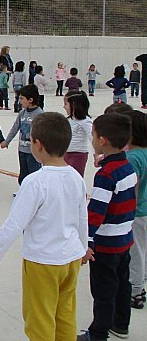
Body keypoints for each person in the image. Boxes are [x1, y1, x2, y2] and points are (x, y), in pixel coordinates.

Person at [0, 113, 88, 341]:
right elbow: (81, 217)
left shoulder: (35, 181)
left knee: (40, 319)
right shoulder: (76, 177)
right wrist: (83, 247)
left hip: (43, 262)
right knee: (65, 314)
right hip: (71, 258)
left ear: (38, 145)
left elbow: (15, 223)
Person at [77, 114, 137, 341]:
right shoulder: (126, 166)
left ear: (102, 140)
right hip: (124, 241)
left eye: (92, 135)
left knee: (103, 291)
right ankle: (121, 324)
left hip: (107, 245)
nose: (91, 138)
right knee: (123, 284)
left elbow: (96, 212)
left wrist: (88, 241)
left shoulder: (106, 175)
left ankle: (98, 332)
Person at [125, 110, 147, 309]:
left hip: (137, 212)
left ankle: (136, 291)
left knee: (136, 252)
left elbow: (134, 188)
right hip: (145, 210)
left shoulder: (132, 158)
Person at [2, 84, 44, 186]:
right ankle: (23, 189)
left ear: (30, 100)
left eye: (21, 98)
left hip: (33, 152)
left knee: (34, 173)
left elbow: (44, 133)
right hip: (22, 149)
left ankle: (35, 192)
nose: (19, 101)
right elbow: (15, 128)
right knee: (23, 173)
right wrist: (7, 141)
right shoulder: (22, 113)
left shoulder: (39, 114)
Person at [63, 91, 93, 177]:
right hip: (66, 154)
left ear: (74, 105)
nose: (64, 107)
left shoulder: (85, 121)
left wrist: (96, 154)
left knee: (76, 178)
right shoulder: (68, 120)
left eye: (66, 104)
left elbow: (93, 137)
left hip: (78, 155)